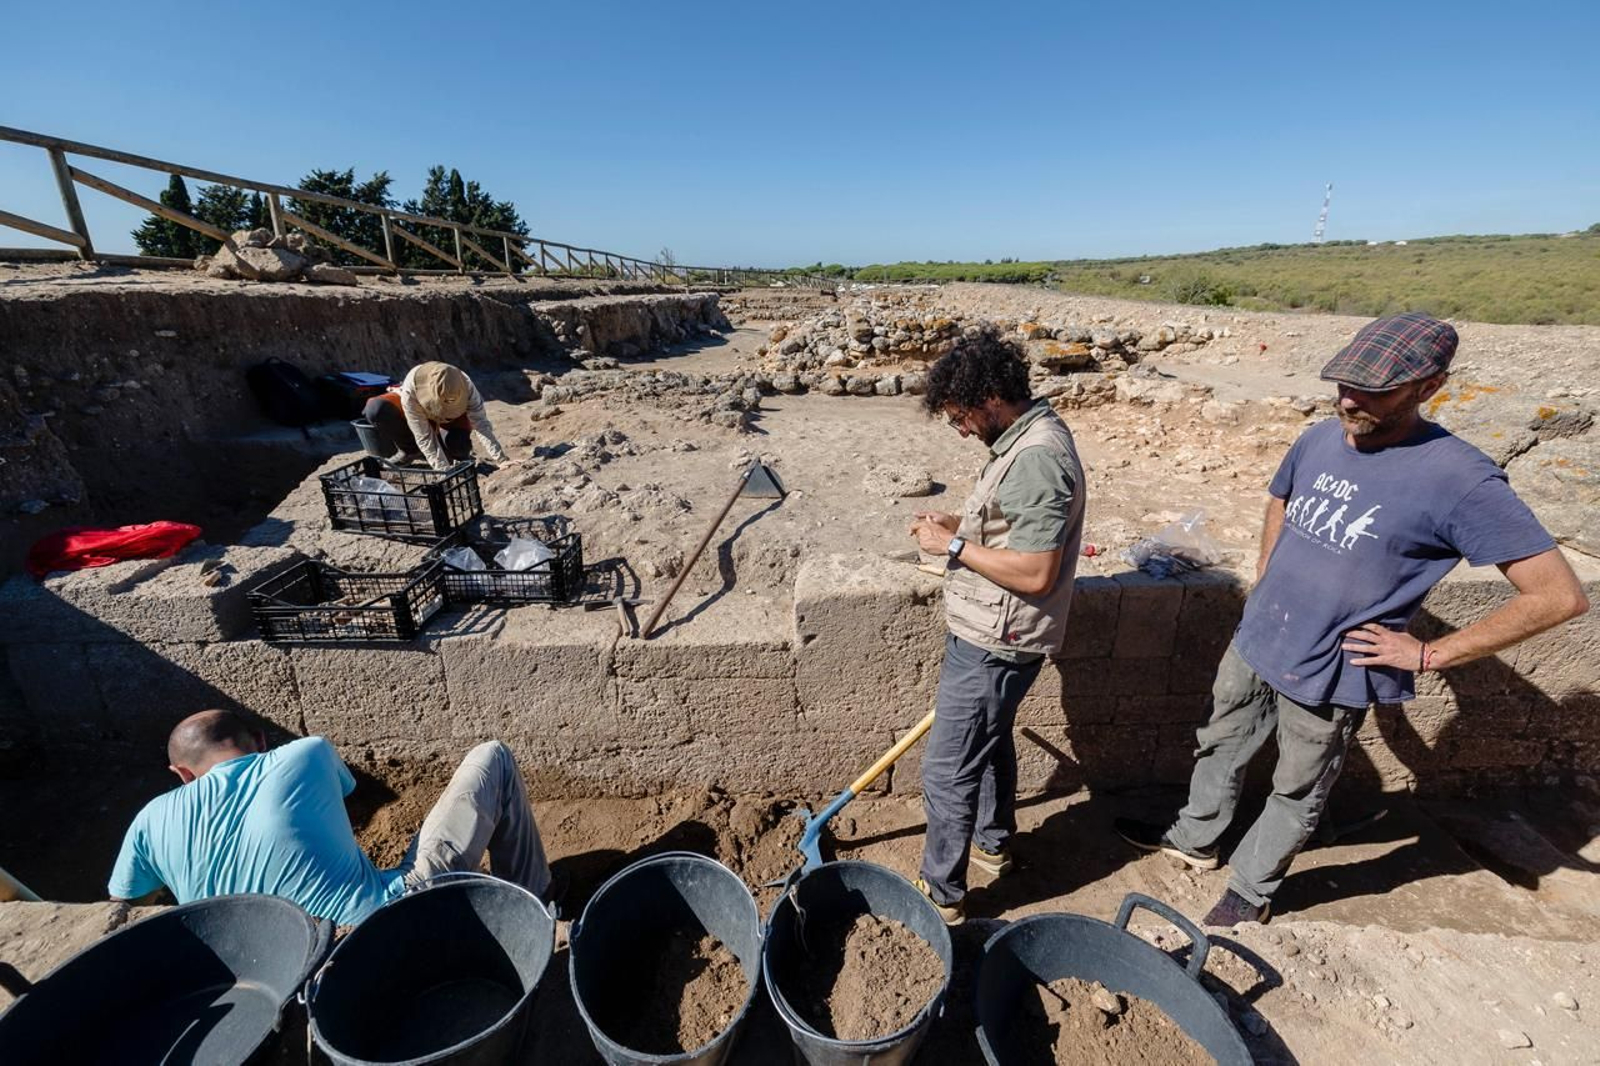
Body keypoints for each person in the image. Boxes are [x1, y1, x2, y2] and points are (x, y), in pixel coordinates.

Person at [1115, 312, 1589, 926]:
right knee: (1220, 744)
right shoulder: (1319, 436)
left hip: (1329, 671)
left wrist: (1427, 655)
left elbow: (1557, 596)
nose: (1348, 400)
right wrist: (1266, 579)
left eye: (1372, 390)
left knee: (1298, 786)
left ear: (1429, 386)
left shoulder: (1459, 479)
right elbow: (1280, 497)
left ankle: (1252, 889)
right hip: (1260, 636)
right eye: (1343, 383)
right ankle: (1194, 839)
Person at [907, 324, 1086, 925]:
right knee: (989, 742)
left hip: (996, 640)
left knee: (947, 767)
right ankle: (992, 842)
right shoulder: (1026, 435)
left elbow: (1036, 573)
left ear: (988, 399)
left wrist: (951, 546)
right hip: (1000, 634)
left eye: (960, 416)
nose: (959, 429)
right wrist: (961, 521)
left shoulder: (1036, 458)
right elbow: (1015, 524)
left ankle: (943, 895)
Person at [109, 710, 550, 925]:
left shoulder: (149, 819)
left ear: (180, 774)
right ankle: (538, 903)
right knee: (491, 757)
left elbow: (125, 909)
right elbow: (346, 796)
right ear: (261, 740)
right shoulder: (307, 751)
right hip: (381, 922)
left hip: (256, 972)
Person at [362, 361, 511, 471]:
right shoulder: (411, 389)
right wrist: (442, 470)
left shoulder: (466, 386)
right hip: (419, 413)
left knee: (459, 446)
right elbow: (424, 436)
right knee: (376, 409)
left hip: (450, 420)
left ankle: (453, 452)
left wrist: (500, 459)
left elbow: (481, 424)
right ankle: (410, 451)